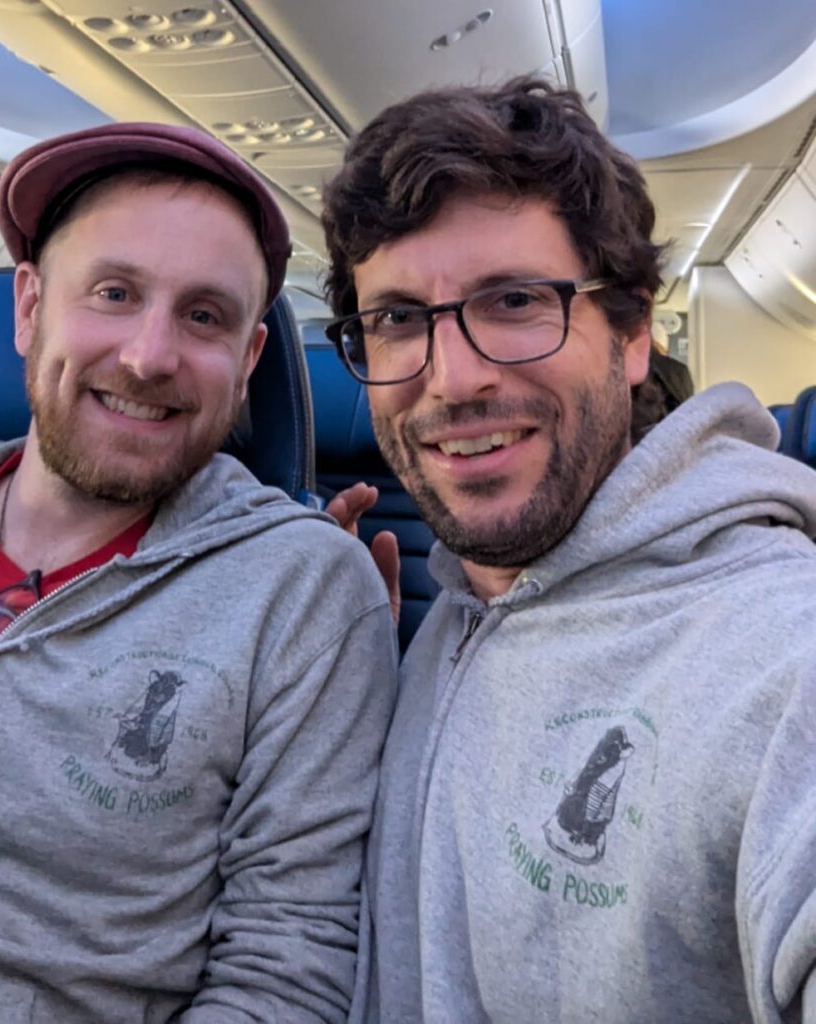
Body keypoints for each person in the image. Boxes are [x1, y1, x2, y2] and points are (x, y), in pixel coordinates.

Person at [0, 122, 396, 1023]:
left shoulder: (303, 596)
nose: (148, 356)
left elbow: (285, 976)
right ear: (29, 308)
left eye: (204, 316)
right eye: (114, 292)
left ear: (247, 364)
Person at [320, 78, 816, 1023]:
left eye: (512, 301)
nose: (452, 380)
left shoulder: (777, 653)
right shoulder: (450, 611)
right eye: (395, 320)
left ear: (630, 333)